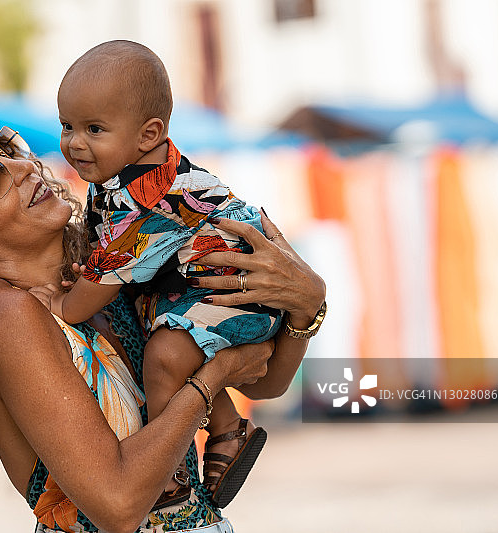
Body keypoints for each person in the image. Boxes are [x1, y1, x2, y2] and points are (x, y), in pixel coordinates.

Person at [0, 113, 325, 532]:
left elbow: (263, 379)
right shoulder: (6, 314)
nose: (22, 167)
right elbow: (117, 508)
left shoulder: (105, 273)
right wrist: (212, 379)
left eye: (6, 148)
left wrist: (307, 304)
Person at [35, 40, 296, 509]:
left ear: (148, 133)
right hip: (194, 294)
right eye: (66, 125)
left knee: (163, 359)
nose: (74, 142)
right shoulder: (121, 179)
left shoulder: (150, 195)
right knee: (174, 349)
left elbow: (113, 269)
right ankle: (227, 429)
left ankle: (167, 472)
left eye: (94, 128)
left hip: (236, 294)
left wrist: (61, 305)